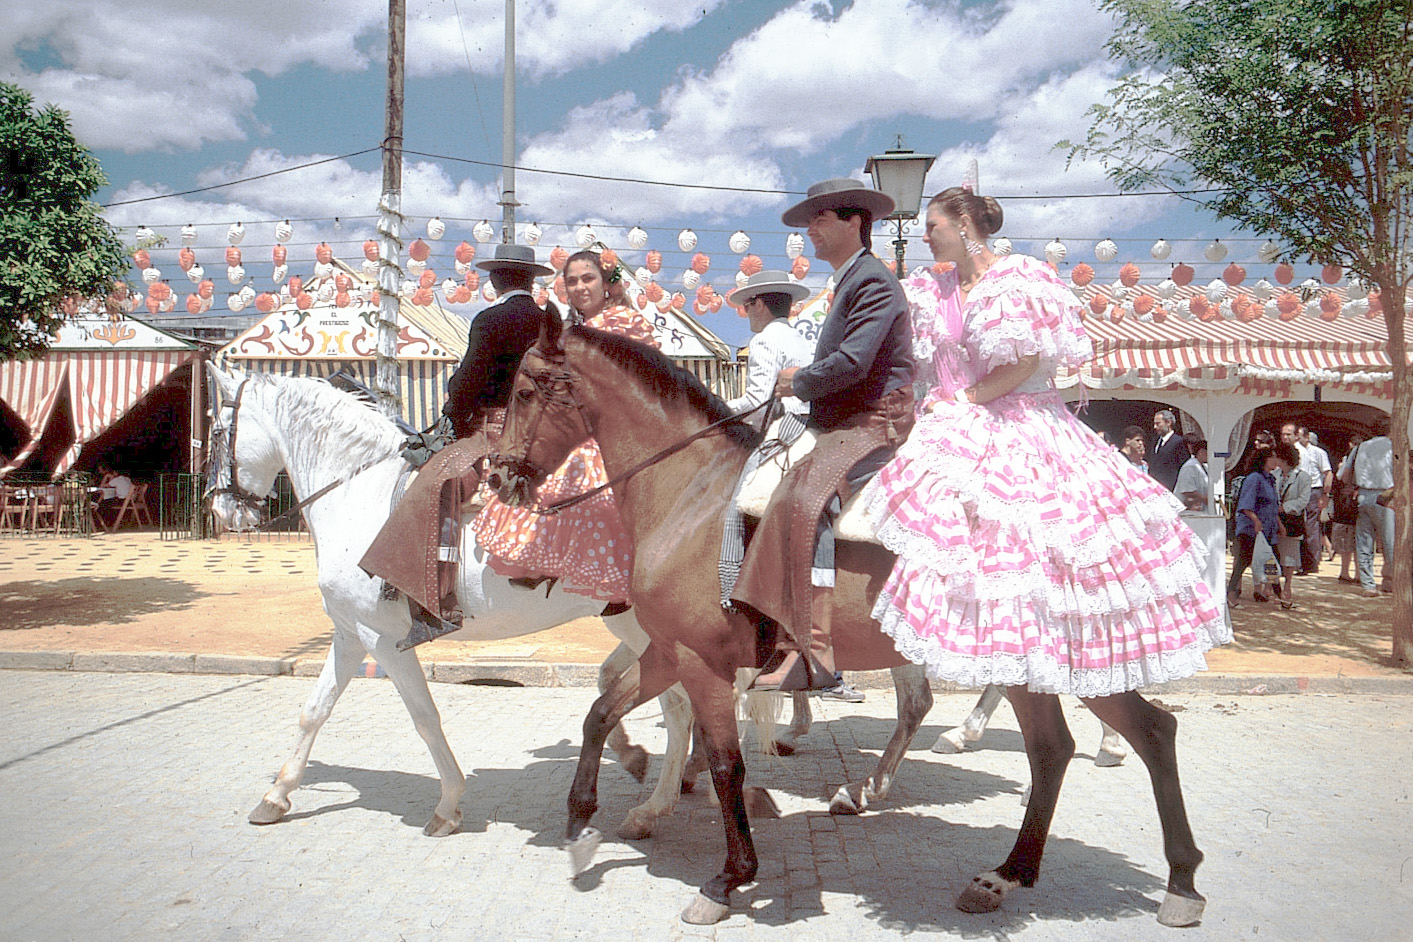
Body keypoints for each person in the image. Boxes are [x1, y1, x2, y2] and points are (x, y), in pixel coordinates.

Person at [864, 184, 1227, 697]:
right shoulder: (931, 289)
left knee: (1041, 541)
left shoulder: (1018, 278)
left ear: (964, 227)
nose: (925, 236)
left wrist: (966, 399)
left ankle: (1067, 647)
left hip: (1019, 422)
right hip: (952, 419)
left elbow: (1025, 361)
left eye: (933, 226)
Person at [732, 178, 915, 697]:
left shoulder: (874, 281)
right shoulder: (850, 280)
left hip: (874, 421)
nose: (809, 230)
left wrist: (799, 381)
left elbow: (855, 362)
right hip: (841, 420)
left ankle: (811, 651)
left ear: (855, 222)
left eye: (820, 218)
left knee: (801, 497)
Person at [359, 243, 556, 646]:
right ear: (530, 279)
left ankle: (432, 597)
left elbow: (469, 381)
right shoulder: (547, 324)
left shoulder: (490, 319)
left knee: (434, 480)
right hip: (543, 434)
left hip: (494, 432)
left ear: (496, 279)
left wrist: (453, 402)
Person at [472, 248, 659, 605]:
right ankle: (549, 561)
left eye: (588, 278)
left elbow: (644, 384)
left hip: (623, 430)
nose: (579, 287)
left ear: (608, 283)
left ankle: (578, 565)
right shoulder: (574, 331)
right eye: (571, 281)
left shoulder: (624, 322)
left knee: (574, 468)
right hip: (585, 427)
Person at [723, 270, 813, 423]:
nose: (746, 313)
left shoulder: (764, 339)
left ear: (758, 305)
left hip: (782, 429)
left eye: (746, 306)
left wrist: (718, 408)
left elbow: (758, 403)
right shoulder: (801, 339)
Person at [1338, 422, 1394, 596]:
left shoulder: (1360, 447)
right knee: (1390, 542)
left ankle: (1368, 584)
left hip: (1362, 495)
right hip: (1386, 495)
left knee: (1364, 542)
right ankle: (1389, 581)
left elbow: (1346, 475)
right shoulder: (1393, 446)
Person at [1228, 447, 1281, 607]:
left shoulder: (1270, 480)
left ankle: (1279, 595)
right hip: (1251, 530)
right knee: (1243, 562)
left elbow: (1273, 506)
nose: (1275, 460)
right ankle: (1231, 595)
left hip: (1268, 530)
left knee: (1272, 562)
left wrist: (1279, 525)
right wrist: (1255, 520)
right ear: (1263, 460)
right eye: (1272, 457)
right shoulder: (1254, 479)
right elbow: (1245, 504)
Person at [1272, 441, 1308, 610]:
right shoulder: (1274, 475)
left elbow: (1303, 500)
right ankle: (1272, 587)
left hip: (1292, 520)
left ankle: (1287, 586)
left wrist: (1284, 507)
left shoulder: (1302, 477)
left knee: (1290, 555)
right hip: (1274, 519)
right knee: (1273, 554)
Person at [1330, 437, 1362, 583]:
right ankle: (1359, 574)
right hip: (1356, 502)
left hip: (1348, 504)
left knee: (1348, 538)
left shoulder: (1349, 458)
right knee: (1360, 538)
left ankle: (1345, 572)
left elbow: (1341, 477)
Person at [1148, 409, 1187, 491]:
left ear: (1168, 422)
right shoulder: (1155, 441)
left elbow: (1183, 467)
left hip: (1170, 488)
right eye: (1154, 424)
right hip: (1154, 488)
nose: (1155, 427)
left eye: (1158, 424)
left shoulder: (1178, 442)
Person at [1174, 435, 1210, 512]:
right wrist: (1205, 499)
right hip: (1188, 509)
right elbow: (1187, 490)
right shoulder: (1190, 466)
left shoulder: (1205, 467)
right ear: (1201, 452)